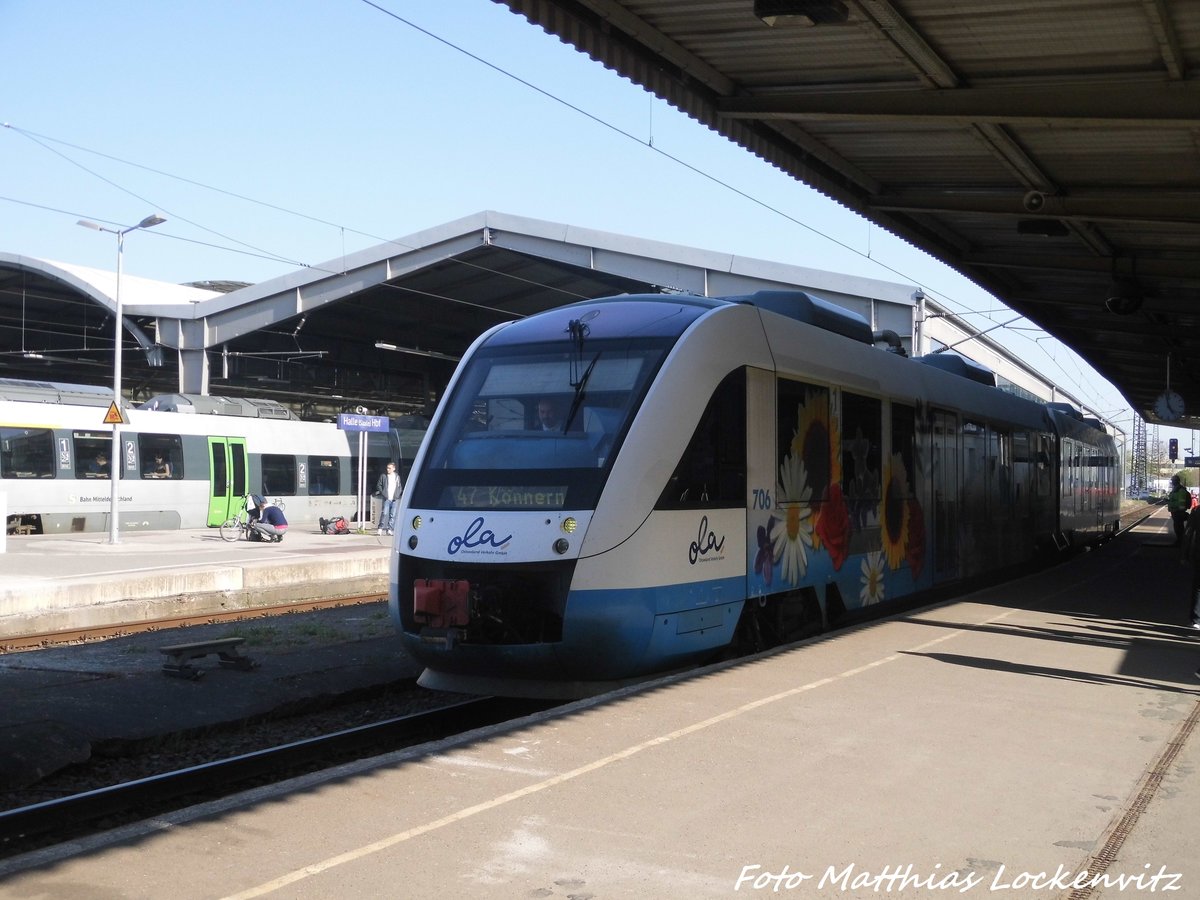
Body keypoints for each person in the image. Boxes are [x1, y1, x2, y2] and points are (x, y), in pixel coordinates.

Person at [374, 461, 402, 535]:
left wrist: (397, 494)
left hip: (394, 499)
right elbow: (379, 485)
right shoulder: (383, 476)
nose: (388, 469)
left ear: (394, 468)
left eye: (389, 468)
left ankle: (390, 529)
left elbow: (399, 487)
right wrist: (383, 493)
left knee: (393, 515)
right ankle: (380, 528)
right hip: (387, 498)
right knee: (384, 513)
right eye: (387, 468)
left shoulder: (397, 477)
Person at [1167, 475, 1191, 545]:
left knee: (1179, 528)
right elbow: (1174, 500)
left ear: (1176, 481)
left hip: (1178, 512)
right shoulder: (1175, 490)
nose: (1172, 482)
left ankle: (1181, 542)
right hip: (1175, 511)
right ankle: (1180, 541)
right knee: (1178, 527)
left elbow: (1181, 502)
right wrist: (1168, 501)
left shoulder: (1180, 490)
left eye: (1173, 481)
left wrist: (1179, 510)